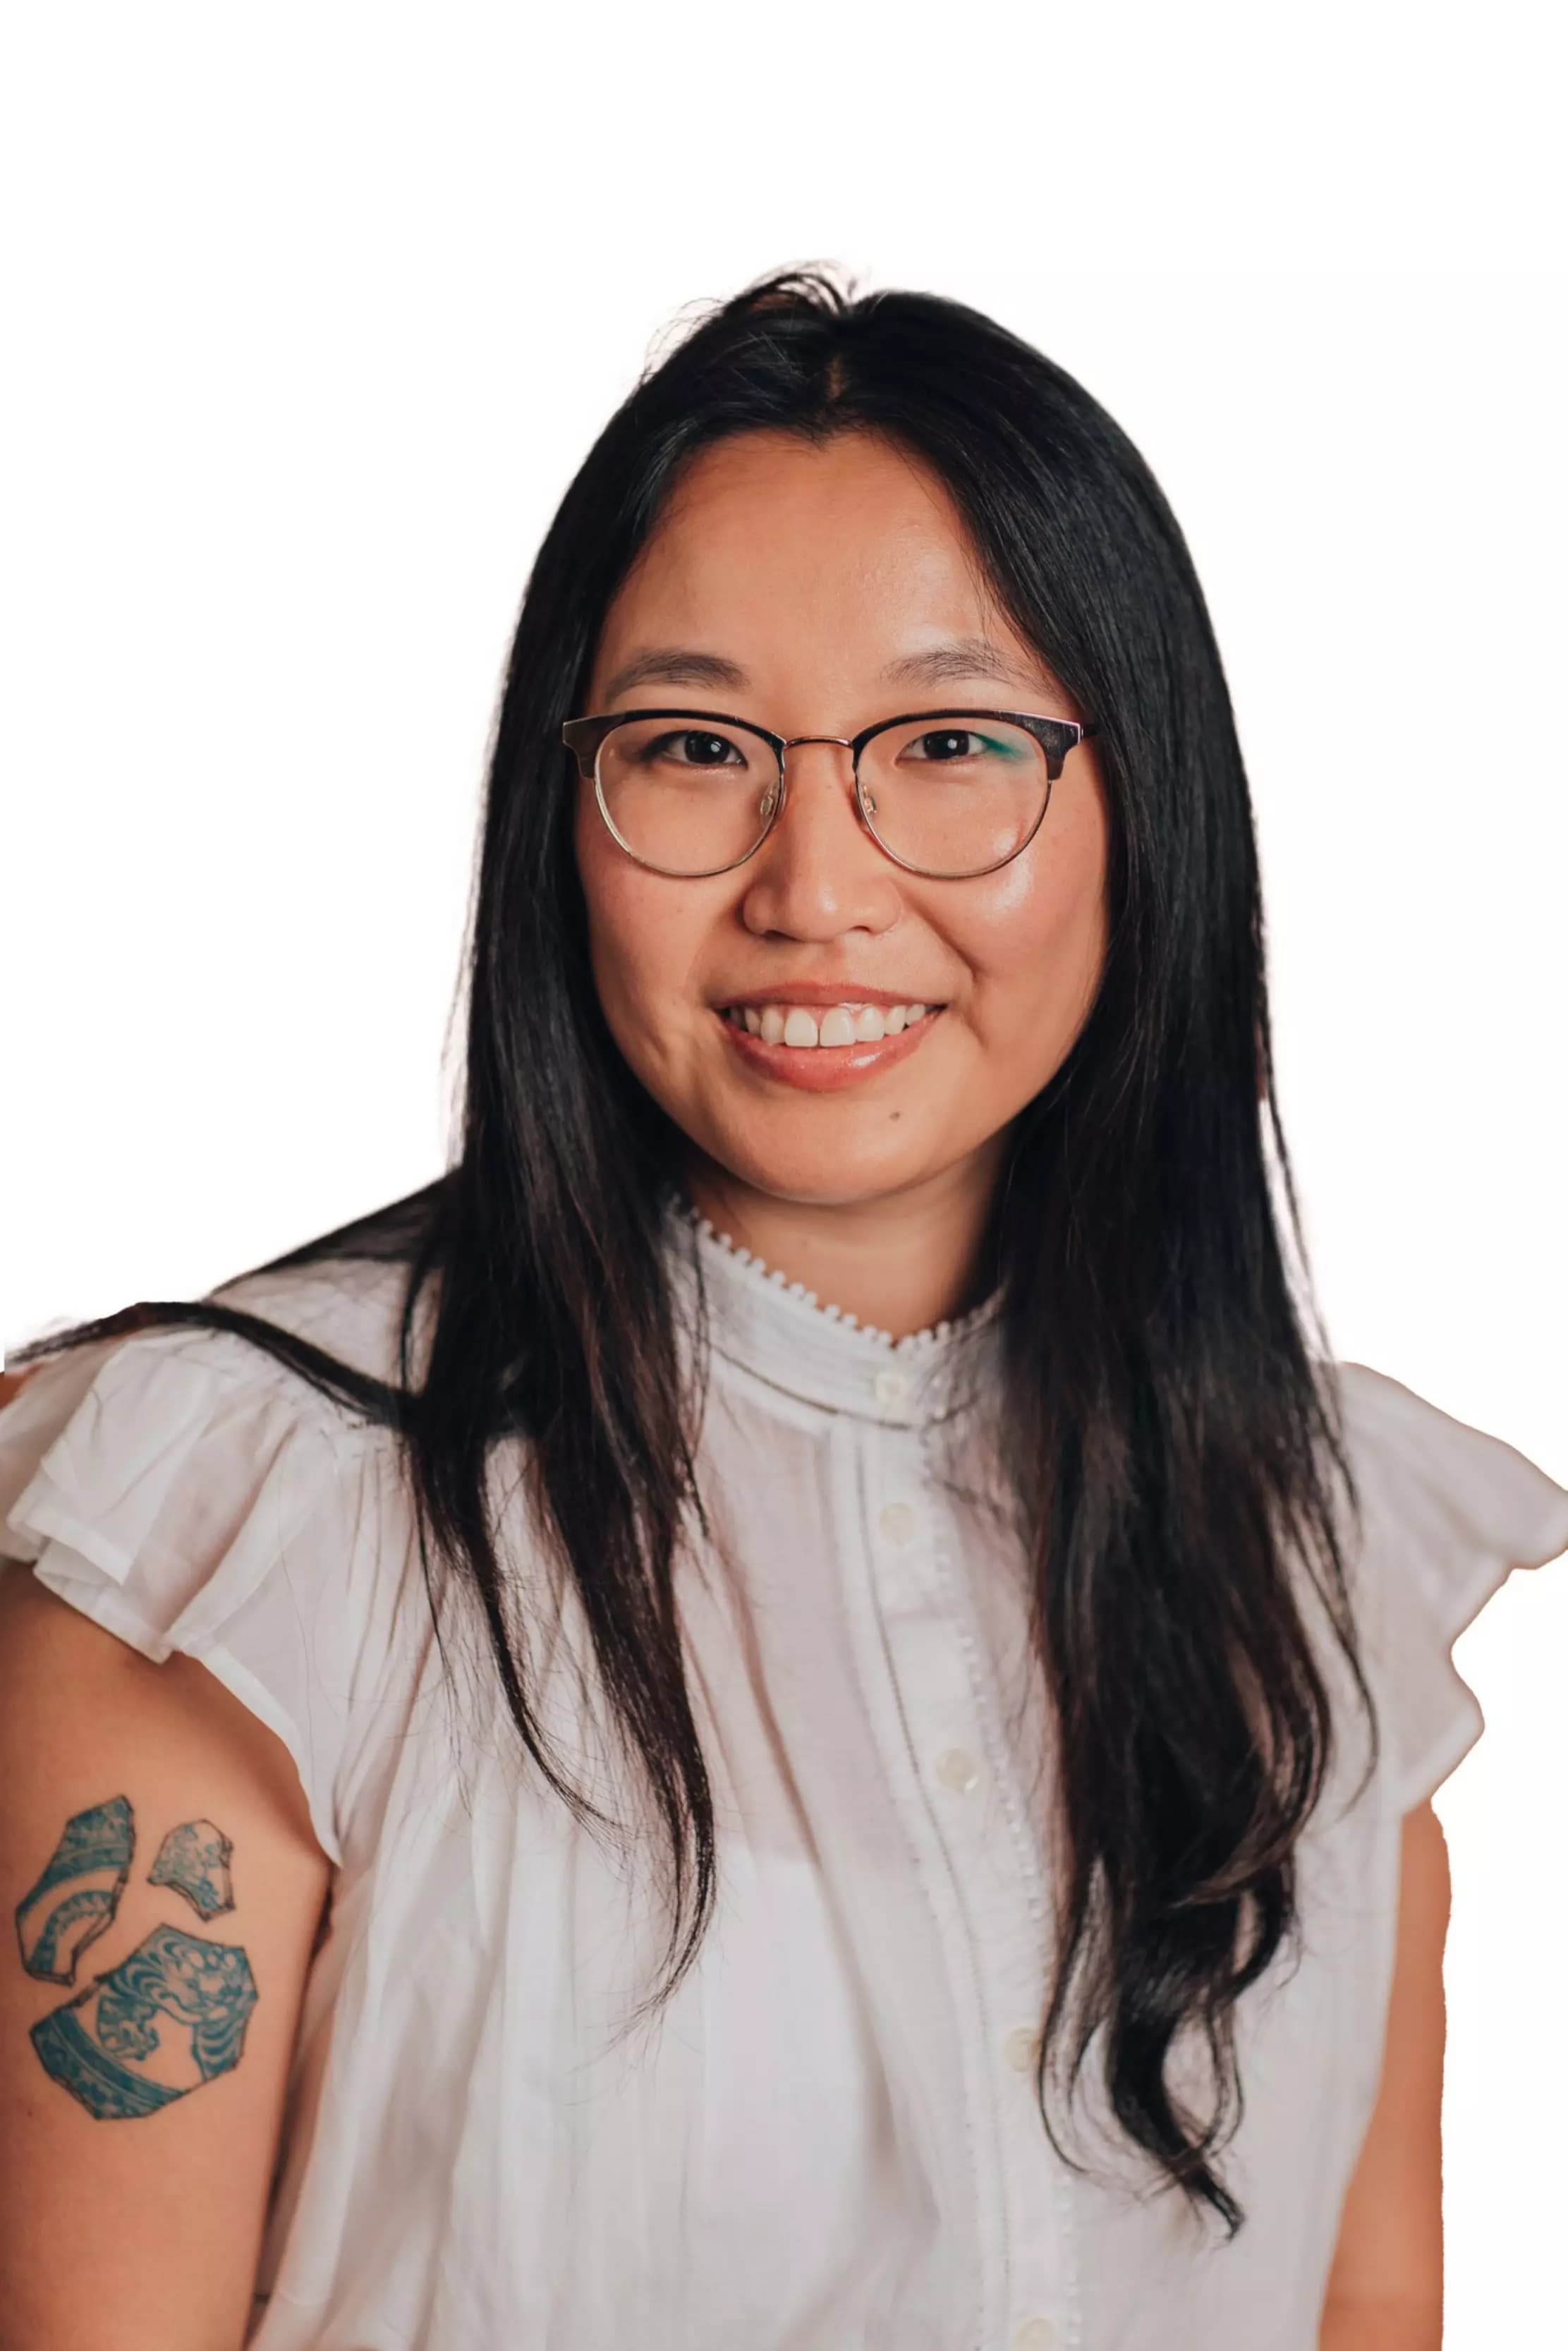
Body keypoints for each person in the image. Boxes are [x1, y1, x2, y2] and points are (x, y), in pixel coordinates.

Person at [1, 271, 1563, 2351]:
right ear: (561, 822)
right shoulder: (238, 1538)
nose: (813, 884)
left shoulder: (1314, 1543)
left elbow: (1367, 2306)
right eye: (692, 747)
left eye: (948, 745)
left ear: (1145, 809)